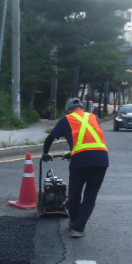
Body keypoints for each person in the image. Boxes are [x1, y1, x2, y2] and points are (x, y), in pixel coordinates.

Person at [42, 97, 109, 238]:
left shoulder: (67, 119)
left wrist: (46, 153)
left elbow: (50, 138)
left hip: (80, 160)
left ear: (68, 110)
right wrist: (72, 151)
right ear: (81, 108)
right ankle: (78, 228)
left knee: (74, 192)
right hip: (101, 159)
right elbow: (89, 139)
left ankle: (73, 221)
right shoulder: (93, 117)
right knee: (90, 197)